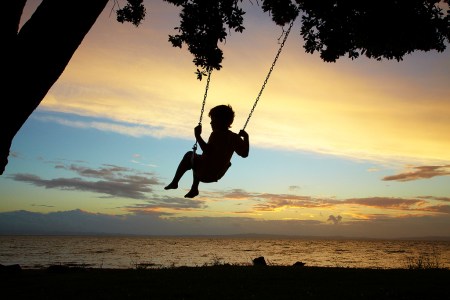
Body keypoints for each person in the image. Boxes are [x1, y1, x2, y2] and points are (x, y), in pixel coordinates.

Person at [165, 104, 249, 198]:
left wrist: (198, 136)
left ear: (220, 121)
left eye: (213, 120)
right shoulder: (234, 137)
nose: (211, 123)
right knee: (199, 159)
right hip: (217, 174)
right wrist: (246, 138)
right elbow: (244, 154)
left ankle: (175, 182)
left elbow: (208, 151)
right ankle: (194, 189)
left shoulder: (216, 134)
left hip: (206, 172)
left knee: (190, 155)